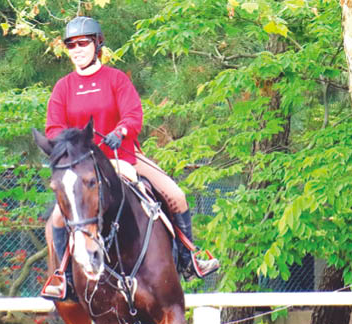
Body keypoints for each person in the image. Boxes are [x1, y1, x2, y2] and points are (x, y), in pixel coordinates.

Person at [41, 16, 219, 300]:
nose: (77, 49)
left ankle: (189, 259)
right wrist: (74, 145)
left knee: (177, 195)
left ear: (97, 44)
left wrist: (120, 130)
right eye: (71, 45)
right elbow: (53, 129)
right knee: (57, 220)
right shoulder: (63, 87)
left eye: (83, 43)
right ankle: (62, 277)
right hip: (84, 166)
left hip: (121, 156)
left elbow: (133, 114)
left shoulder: (116, 79)